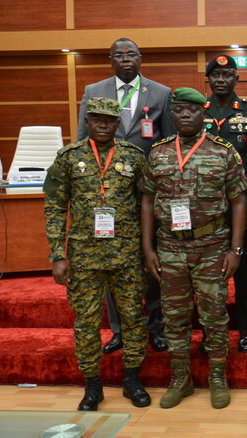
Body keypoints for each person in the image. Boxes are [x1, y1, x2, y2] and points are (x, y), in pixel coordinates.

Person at [140, 87, 247, 409]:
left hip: (212, 245)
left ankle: (218, 376)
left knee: (214, 315)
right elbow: (147, 200)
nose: (185, 115)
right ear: (171, 115)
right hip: (170, 246)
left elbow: (239, 200)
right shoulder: (158, 152)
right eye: (179, 110)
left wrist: (236, 250)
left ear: (204, 114)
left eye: (191, 110)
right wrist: (147, 248)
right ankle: (181, 377)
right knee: (174, 316)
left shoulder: (223, 151)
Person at [45, 97, 150, 411]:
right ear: (87, 121)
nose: (103, 124)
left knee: (133, 319)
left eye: (110, 120)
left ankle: (132, 379)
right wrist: (57, 254)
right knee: (87, 323)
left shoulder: (134, 156)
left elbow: (148, 205)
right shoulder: (68, 157)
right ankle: (92, 386)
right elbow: (54, 207)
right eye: (97, 119)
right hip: (84, 258)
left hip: (127, 256)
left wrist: (147, 251)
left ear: (118, 124)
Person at [76, 37, 175, 355]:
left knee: (152, 260)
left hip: (149, 192)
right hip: (108, 194)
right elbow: (82, 140)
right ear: (110, 60)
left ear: (140, 58)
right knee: (110, 261)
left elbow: (170, 142)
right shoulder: (94, 91)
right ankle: (118, 330)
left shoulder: (160, 93)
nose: (126, 59)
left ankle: (155, 327)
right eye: (119, 55)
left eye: (131, 53)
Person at [203, 54, 247, 353]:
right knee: (206, 275)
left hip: (239, 208)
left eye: (227, 74)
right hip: (203, 210)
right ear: (209, 79)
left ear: (236, 78)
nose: (221, 80)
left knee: (242, 273)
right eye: (216, 75)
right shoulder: (196, 111)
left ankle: (246, 330)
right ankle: (210, 333)